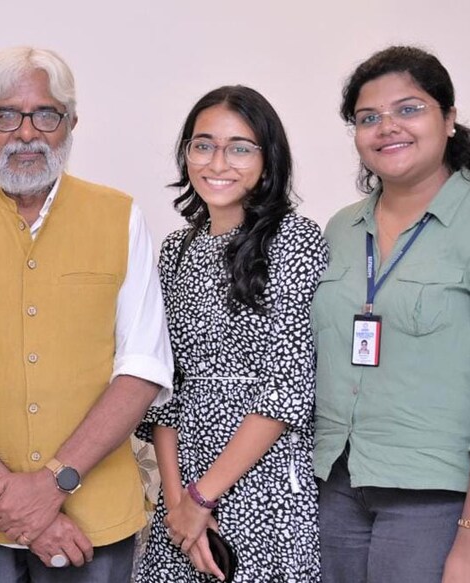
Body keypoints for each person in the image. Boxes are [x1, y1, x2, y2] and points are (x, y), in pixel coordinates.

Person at [0, 46, 174, 582]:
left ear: (70, 124)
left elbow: (142, 367)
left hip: (92, 518)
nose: (27, 134)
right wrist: (19, 506)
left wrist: (52, 484)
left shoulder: (122, 218)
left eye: (46, 114)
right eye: (6, 115)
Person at [313, 45, 470, 583]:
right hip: (335, 485)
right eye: (369, 118)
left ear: (450, 119)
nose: (387, 127)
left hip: (438, 499)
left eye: (409, 109)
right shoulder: (340, 229)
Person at [135, 86, 327, 582]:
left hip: (263, 479)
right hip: (182, 487)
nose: (218, 161)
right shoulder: (177, 249)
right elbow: (164, 390)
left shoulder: (295, 239)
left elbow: (286, 388)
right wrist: (179, 505)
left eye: (240, 147)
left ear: (269, 159)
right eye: (203, 145)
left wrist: (203, 498)